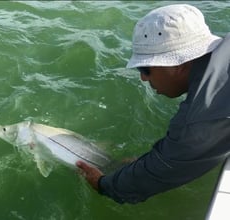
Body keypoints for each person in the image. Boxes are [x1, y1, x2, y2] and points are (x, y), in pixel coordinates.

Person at [77, 4, 230, 204]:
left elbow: (164, 169)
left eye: (146, 68)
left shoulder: (200, 116)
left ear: (178, 65)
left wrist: (104, 184)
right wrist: (146, 163)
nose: (142, 78)